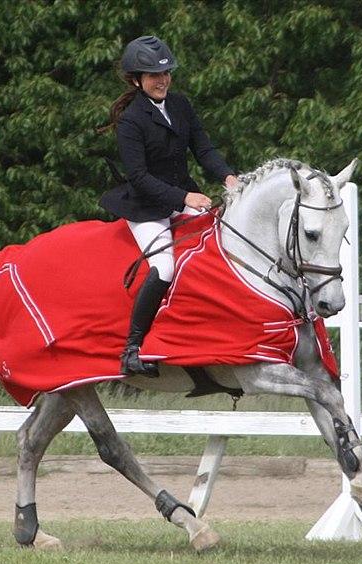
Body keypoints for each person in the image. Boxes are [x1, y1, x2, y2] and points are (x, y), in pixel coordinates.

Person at [100, 35, 239, 377]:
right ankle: (132, 349)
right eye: (153, 76)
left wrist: (229, 178)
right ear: (137, 80)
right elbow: (139, 176)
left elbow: (203, 150)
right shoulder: (132, 120)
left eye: (165, 74)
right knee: (164, 266)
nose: (162, 80)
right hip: (147, 206)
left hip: (180, 197)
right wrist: (184, 198)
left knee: (224, 242)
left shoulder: (180, 105)